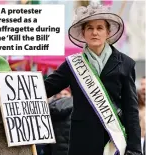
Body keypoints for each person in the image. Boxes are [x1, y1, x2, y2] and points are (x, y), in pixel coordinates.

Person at [44, 2, 142, 155]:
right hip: (82, 141)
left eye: (100, 28)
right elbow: (45, 88)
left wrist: (135, 148)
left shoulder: (126, 63)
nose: (94, 32)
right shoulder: (72, 64)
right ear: (83, 33)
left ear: (108, 32)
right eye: (89, 28)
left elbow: (131, 110)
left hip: (113, 141)